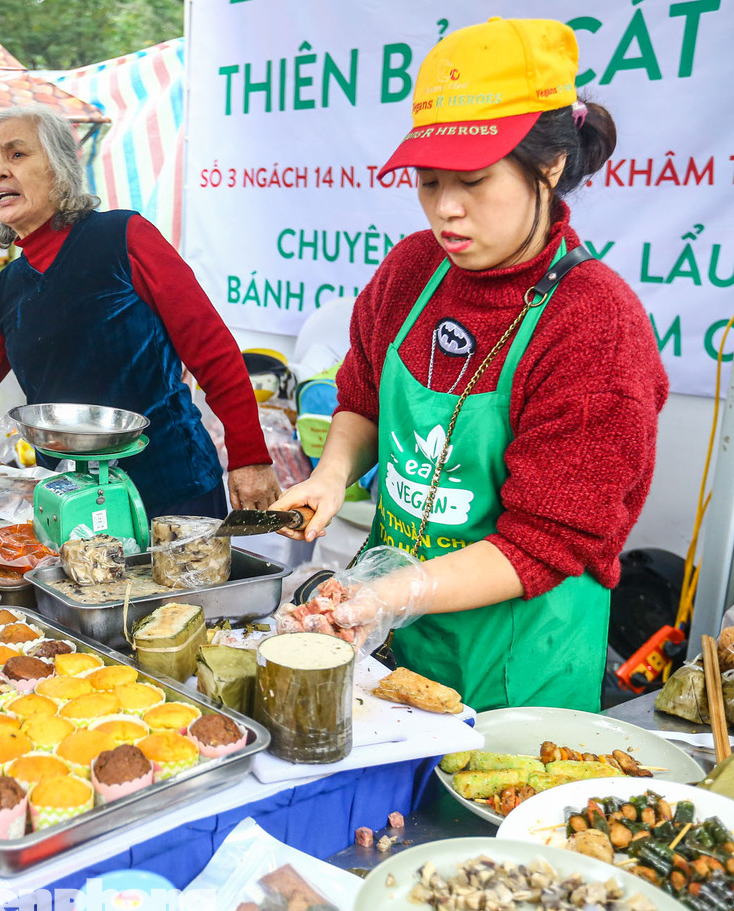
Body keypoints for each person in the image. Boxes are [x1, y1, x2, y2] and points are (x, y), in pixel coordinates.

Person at [272, 18, 667, 713]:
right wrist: (330, 477)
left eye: (473, 181)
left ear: (548, 165)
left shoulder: (595, 325)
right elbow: (360, 398)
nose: (446, 210)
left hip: (518, 672)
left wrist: (389, 593)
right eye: (428, 182)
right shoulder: (412, 270)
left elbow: (542, 542)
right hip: (396, 639)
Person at [0, 105, 279, 519]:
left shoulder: (124, 237)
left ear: (60, 168)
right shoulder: (8, 288)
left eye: (17, 153)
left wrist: (250, 457)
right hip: (73, 504)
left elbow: (212, 351)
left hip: (172, 486)